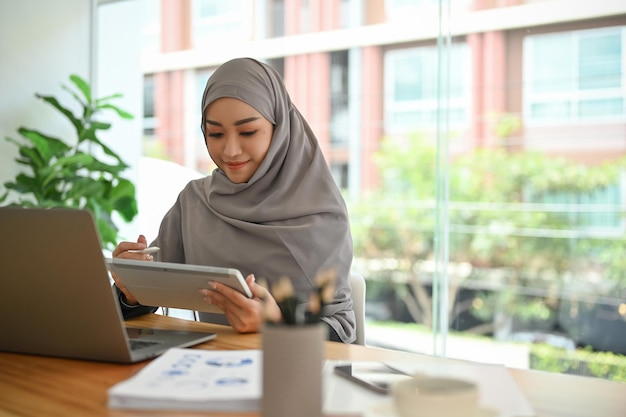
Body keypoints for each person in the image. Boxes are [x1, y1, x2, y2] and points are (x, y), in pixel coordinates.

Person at [112, 57, 356, 343]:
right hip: (210, 371)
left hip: (294, 375)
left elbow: (341, 330)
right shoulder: (195, 203)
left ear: (280, 129)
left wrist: (274, 324)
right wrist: (132, 287)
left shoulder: (319, 213)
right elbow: (143, 301)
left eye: (248, 132)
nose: (230, 150)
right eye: (215, 133)